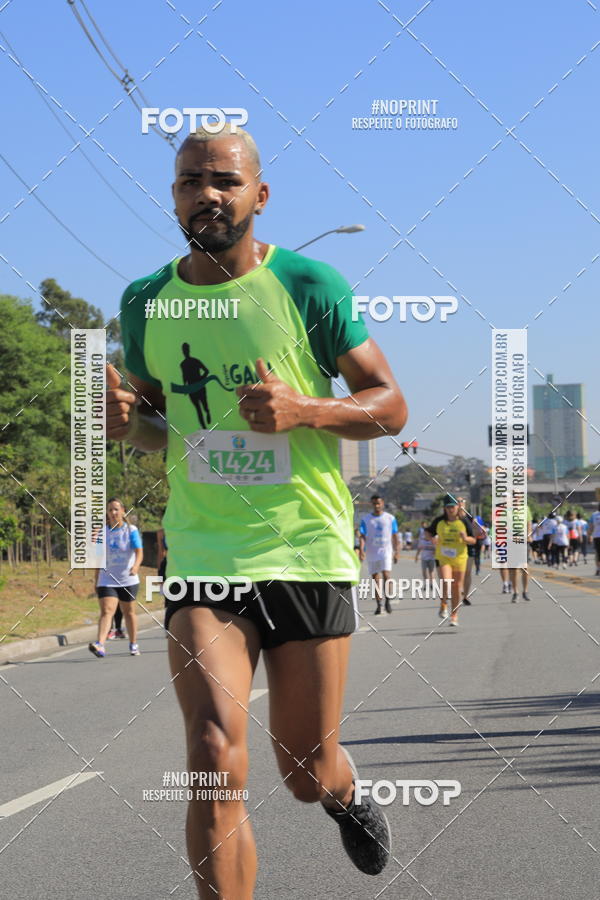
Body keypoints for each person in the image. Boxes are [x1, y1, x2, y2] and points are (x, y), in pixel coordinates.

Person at [107, 124, 408, 898]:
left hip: (304, 550)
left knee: (305, 770)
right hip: (206, 553)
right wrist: (121, 421)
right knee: (211, 756)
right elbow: (152, 428)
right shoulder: (145, 300)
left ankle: (342, 794)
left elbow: (390, 407)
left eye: (224, 181)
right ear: (173, 197)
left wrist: (305, 409)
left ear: (259, 196)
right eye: (189, 182)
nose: (206, 194)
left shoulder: (310, 286)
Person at [89, 498, 144, 658]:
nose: (113, 513)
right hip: (107, 579)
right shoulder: (102, 532)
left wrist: (136, 567)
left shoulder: (130, 530)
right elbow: (98, 557)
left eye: (115, 509)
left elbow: (139, 551)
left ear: (122, 511)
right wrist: (96, 578)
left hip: (128, 578)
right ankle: (100, 645)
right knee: (107, 611)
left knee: (129, 612)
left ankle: (133, 644)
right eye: (110, 510)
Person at [428, 494, 476, 626]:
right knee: (446, 581)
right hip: (443, 557)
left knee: (456, 586)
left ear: (457, 506)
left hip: (460, 557)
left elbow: (473, 540)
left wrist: (466, 539)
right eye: (448, 507)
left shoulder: (464, 521)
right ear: (444, 508)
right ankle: (443, 604)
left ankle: (454, 615)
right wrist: (433, 539)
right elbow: (428, 532)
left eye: (453, 506)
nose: (451, 509)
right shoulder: (439, 521)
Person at [359, 495, 400, 615]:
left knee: (387, 576)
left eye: (378, 503)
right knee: (376, 580)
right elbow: (362, 536)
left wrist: (397, 552)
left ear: (383, 503)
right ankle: (379, 604)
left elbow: (395, 536)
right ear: (371, 505)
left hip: (386, 551)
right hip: (372, 552)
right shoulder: (366, 519)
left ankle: (388, 600)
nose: (377, 506)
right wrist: (362, 550)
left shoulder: (390, 518)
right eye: (374, 504)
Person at [456, 497, 485, 606]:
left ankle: (465, 596)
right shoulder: (452, 517)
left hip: (469, 547)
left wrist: (475, 533)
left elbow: (479, 530)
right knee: (458, 573)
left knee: (467, 572)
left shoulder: (470, 517)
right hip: (456, 548)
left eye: (461, 501)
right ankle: (458, 592)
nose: (459, 503)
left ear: (465, 504)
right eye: (457, 502)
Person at [590, 503, 600, 576]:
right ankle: (597, 569)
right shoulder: (594, 515)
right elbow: (591, 526)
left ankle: (598, 569)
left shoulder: (594, 515)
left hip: (596, 536)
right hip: (596, 536)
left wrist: (590, 535)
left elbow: (591, 527)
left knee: (598, 554)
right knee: (597, 553)